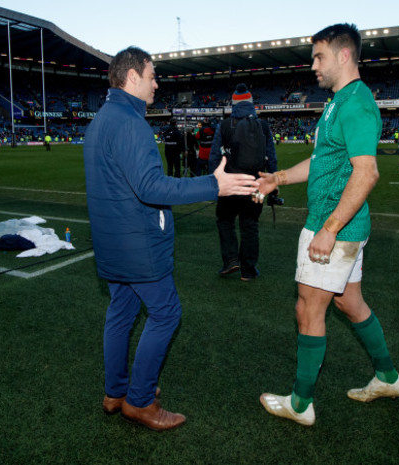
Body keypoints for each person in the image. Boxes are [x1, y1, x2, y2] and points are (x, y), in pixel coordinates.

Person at [83, 46, 258, 432]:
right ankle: (140, 401)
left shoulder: (101, 121)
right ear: (132, 78)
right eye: (152, 75)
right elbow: (150, 187)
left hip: (112, 242)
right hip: (137, 243)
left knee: (122, 312)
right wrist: (214, 184)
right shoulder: (130, 123)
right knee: (166, 314)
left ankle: (115, 392)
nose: (157, 83)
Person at [254, 23, 399, 427]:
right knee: (348, 302)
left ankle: (301, 405)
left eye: (319, 57)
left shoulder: (356, 103)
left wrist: (330, 228)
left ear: (343, 55)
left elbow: (367, 172)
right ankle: (388, 377)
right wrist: (278, 178)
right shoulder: (339, 101)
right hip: (344, 228)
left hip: (333, 228)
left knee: (308, 307)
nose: (313, 66)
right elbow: (323, 162)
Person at [209, 83, 277, 281]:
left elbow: (214, 157)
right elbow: (271, 158)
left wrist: (214, 182)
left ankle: (231, 260)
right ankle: (248, 269)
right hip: (254, 185)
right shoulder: (263, 126)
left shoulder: (223, 125)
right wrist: (273, 184)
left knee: (224, 221)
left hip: (229, 184)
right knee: (250, 225)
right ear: (251, 103)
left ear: (233, 104)